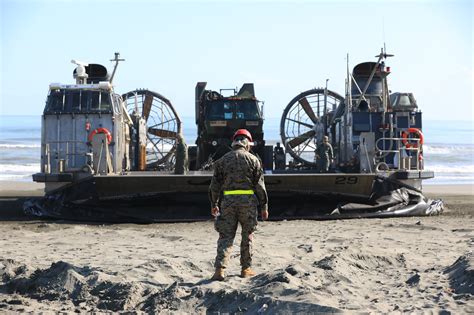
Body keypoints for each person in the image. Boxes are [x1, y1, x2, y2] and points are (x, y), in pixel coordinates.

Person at [209, 129, 269, 281]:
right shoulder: (254, 160)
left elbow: (214, 186)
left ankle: (220, 270)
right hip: (247, 203)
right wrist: (264, 207)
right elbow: (260, 186)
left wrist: (214, 204)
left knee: (225, 236)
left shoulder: (222, 160)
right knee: (247, 235)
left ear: (234, 142)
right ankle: (246, 269)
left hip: (228, 203)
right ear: (247, 143)